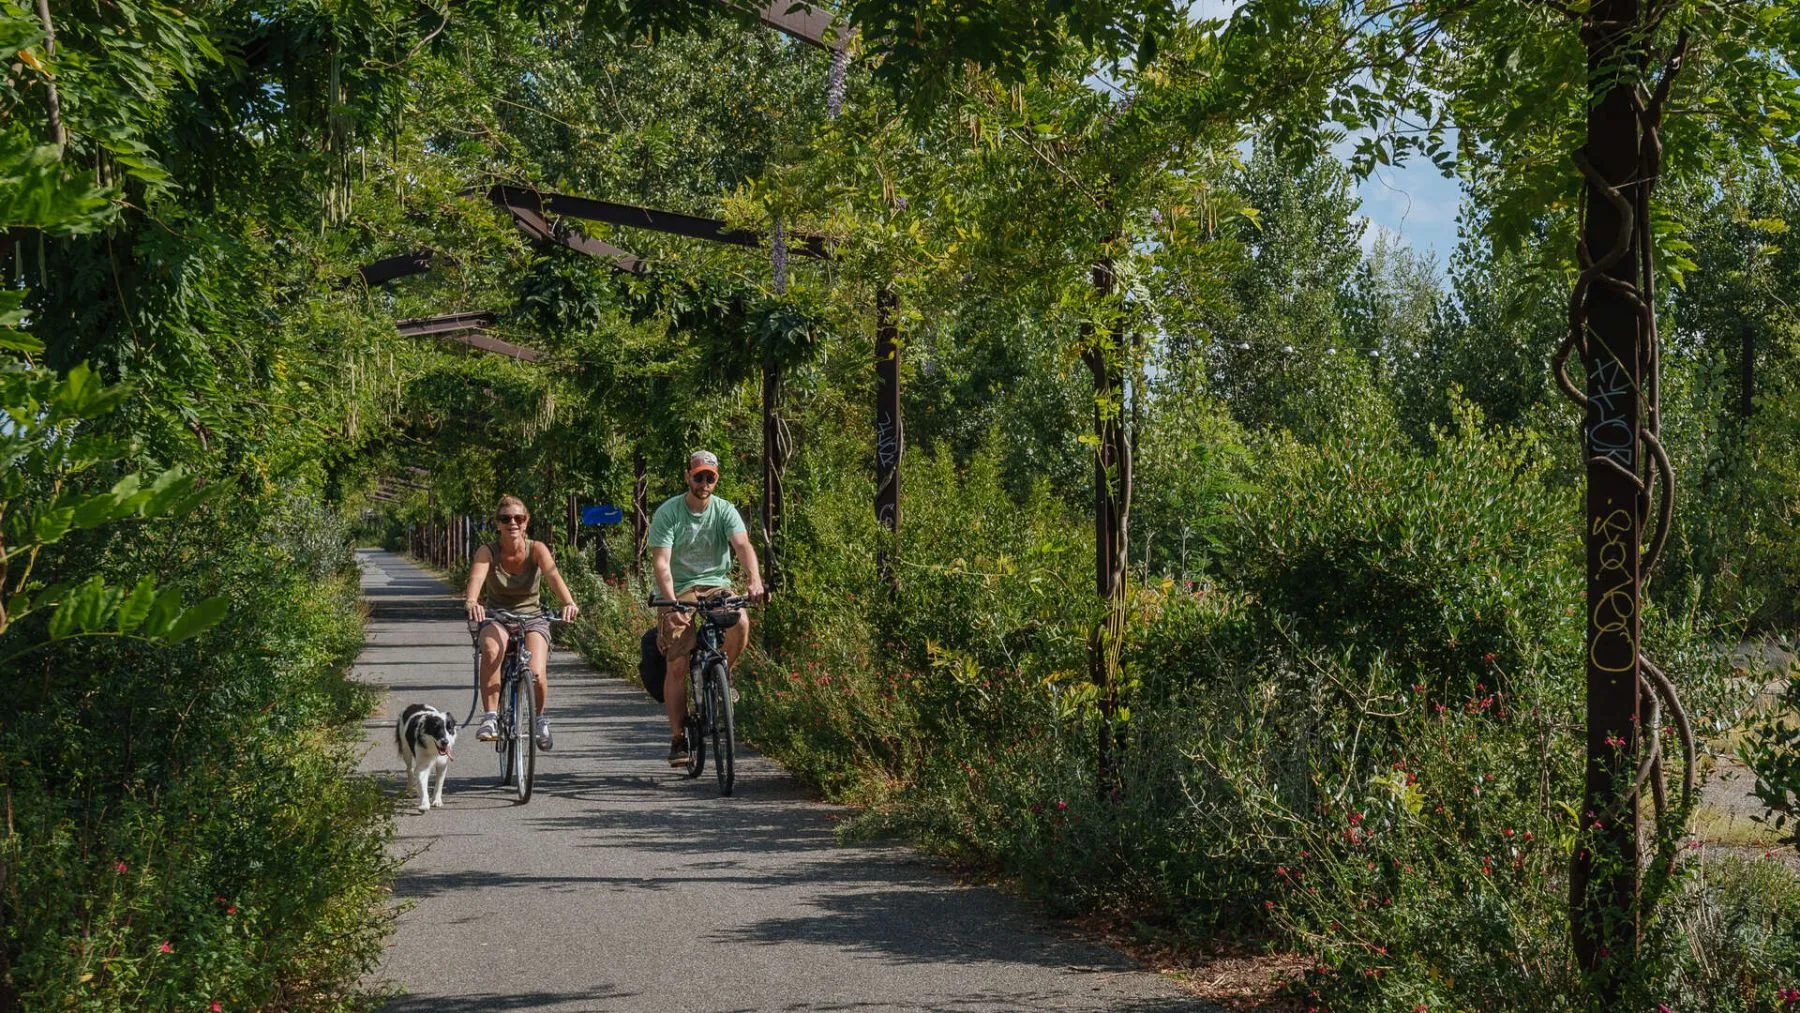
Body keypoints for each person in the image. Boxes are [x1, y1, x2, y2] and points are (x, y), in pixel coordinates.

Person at [649, 450, 766, 766]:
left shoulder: (725, 510)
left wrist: (754, 580)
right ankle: (677, 739)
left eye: (709, 477)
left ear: (716, 480)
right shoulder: (669, 512)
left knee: (740, 619)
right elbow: (661, 562)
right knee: (677, 664)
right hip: (679, 588)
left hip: (716, 585)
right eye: (698, 476)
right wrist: (672, 602)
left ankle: (724, 674)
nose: (703, 483)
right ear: (687, 476)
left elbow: (742, 545)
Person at [463, 494, 580, 750]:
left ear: (526, 522)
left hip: (533, 617)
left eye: (519, 518)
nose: (512, 523)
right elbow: (477, 576)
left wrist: (568, 603)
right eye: (506, 519)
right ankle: (491, 717)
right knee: (493, 650)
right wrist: (473, 601)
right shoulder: (488, 551)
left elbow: (553, 575)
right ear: (497, 523)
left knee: (536, 673)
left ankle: (539, 719)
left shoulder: (536, 549)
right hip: (497, 616)